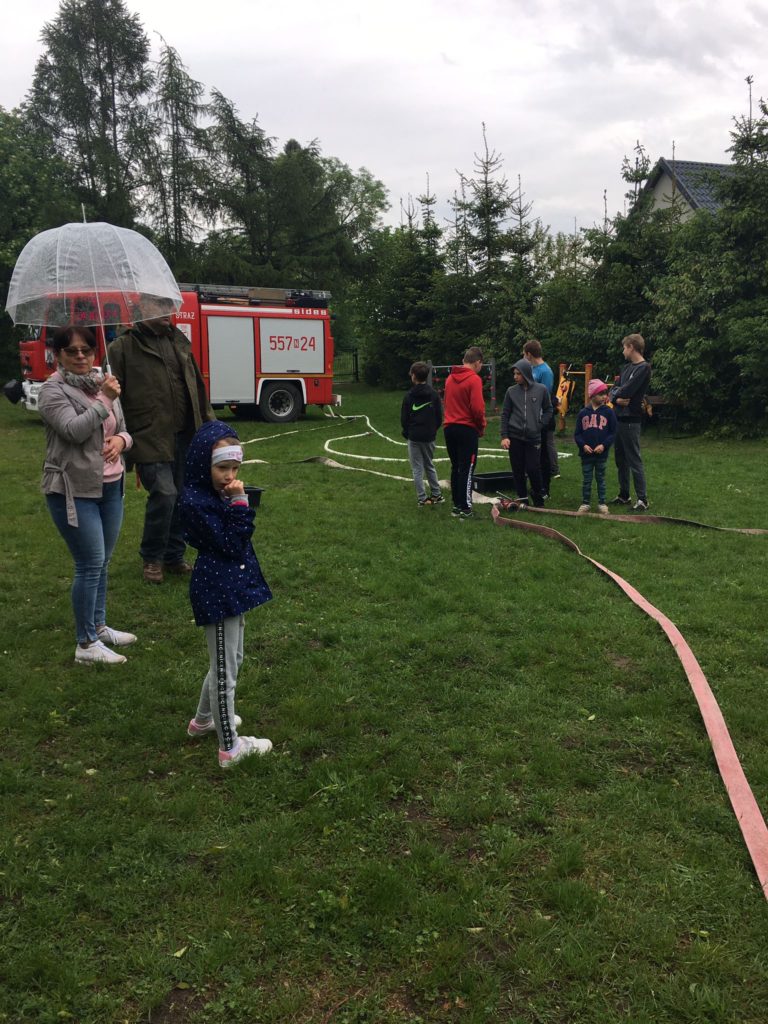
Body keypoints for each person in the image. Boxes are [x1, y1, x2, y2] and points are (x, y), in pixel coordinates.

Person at [38, 326, 136, 665]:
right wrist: (105, 399)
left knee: (103, 562)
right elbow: (73, 430)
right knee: (90, 563)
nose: (81, 356)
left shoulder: (102, 382)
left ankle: (99, 625)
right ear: (58, 355)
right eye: (71, 351)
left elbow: (124, 430)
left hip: (111, 485)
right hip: (73, 489)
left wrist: (122, 441)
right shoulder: (52, 390)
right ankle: (86, 644)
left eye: (87, 350)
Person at [180, 421, 274, 769]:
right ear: (203, 464)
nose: (230, 476)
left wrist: (233, 501)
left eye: (235, 468)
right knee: (225, 673)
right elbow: (233, 543)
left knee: (230, 658)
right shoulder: (196, 502)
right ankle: (229, 749)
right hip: (217, 592)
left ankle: (203, 721)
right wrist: (239, 503)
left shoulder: (211, 495)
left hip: (230, 588)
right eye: (222, 468)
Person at [108, 300, 214, 584]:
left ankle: (174, 555)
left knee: (182, 496)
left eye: (169, 308)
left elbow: (196, 386)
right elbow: (113, 397)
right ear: (142, 311)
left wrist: (210, 427)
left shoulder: (178, 341)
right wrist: (117, 434)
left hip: (184, 435)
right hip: (147, 437)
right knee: (165, 494)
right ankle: (152, 558)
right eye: (160, 308)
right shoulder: (122, 348)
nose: (169, 314)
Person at [500, 359, 553, 508]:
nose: (515, 377)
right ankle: (522, 499)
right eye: (514, 374)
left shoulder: (541, 390)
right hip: (515, 436)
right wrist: (504, 436)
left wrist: (540, 425)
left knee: (533, 469)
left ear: (526, 374)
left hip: (533, 437)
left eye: (518, 374)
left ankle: (538, 498)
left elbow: (549, 409)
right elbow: (505, 414)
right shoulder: (511, 391)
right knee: (517, 469)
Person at [609, 333, 652, 511]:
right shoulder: (626, 368)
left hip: (631, 420)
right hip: (618, 418)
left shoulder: (644, 368)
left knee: (634, 459)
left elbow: (627, 390)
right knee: (620, 459)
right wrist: (615, 398)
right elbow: (613, 389)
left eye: (624, 347)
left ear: (631, 347)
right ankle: (624, 495)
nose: (623, 351)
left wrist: (616, 394)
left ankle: (642, 500)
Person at [443, 346, 486, 519]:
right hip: (466, 428)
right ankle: (466, 508)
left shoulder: (449, 379)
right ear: (477, 362)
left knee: (456, 467)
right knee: (467, 468)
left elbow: (447, 403)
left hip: (449, 427)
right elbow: (477, 408)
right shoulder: (474, 379)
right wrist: (481, 426)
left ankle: (456, 504)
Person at [401, 361, 444, 507]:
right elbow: (439, 417)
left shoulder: (409, 396)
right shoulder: (434, 394)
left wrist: (408, 432)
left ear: (413, 376)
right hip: (428, 436)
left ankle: (422, 498)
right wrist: (432, 430)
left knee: (417, 468)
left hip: (414, 437)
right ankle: (436, 494)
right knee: (429, 464)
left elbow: (404, 419)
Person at [574, 379, 617, 514]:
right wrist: (583, 445)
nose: (604, 396)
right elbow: (577, 434)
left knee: (601, 479)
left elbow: (613, 433)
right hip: (586, 455)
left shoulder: (609, 412)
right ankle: (585, 503)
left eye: (605, 394)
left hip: (601, 455)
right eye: (601, 394)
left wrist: (604, 445)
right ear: (592, 395)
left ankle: (602, 503)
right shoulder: (583, 413)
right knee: (587, 479)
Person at [522, 339, 559, 491]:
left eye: (524, 354)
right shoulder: (531, 368)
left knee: (544, 450)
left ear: (529, 354)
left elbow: (545, 395)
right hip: (529, 416)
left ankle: (548, 478)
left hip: (542, 417)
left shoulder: (545, 371)